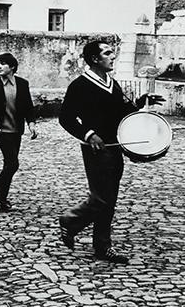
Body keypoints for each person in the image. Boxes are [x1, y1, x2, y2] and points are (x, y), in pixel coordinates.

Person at [57, 41, 164, 264]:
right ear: (95, 59)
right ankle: (70, 220)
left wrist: (142, 102)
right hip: (96, 149)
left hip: (114, 147)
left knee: (110, 198)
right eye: (107, 53)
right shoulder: (80, 85)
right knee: (101, 198)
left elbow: (121, 113)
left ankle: (102, 246)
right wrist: (87, 134)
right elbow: (65, 118)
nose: (112, 56)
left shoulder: (111, 83)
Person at [0, 53, 38, 212]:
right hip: (1, 131)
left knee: (9, 164)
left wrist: (31, 124)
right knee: (13, 163)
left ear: (12, 67)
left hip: (16, 130)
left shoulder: (22, 84)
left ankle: (2, 199)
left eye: (3, 64)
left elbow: (28, 107)